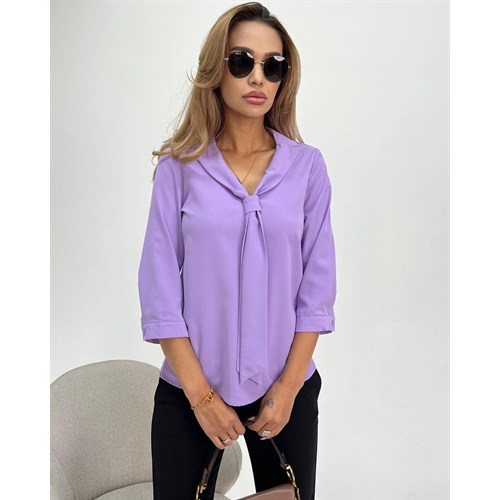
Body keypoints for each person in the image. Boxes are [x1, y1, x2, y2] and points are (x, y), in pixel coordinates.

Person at [138, 2, 337, 499]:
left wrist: (288, 389)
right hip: (191, 388)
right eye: (242, 61)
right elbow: (160, 294)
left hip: (286, 389)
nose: (258, 77)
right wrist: (203, 399)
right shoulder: (178, 168)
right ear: (216, 69)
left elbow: (316, 292)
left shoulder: (308, 168)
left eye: (273, 65)